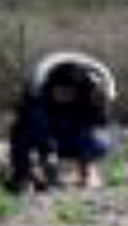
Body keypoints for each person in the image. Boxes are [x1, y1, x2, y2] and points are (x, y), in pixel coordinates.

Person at [9, 51, 118, 192]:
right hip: (41, 139)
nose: (65, 96)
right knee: (21, 134)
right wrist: (47, 154)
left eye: (69, 92)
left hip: (69, 140)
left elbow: (99, 125)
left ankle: (88, 172)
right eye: (60, 91)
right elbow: (29, 127)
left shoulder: (85, 101)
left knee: (98, 138)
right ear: (51, 86)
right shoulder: (37, 100)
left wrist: (100, 102)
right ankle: (23, 176)